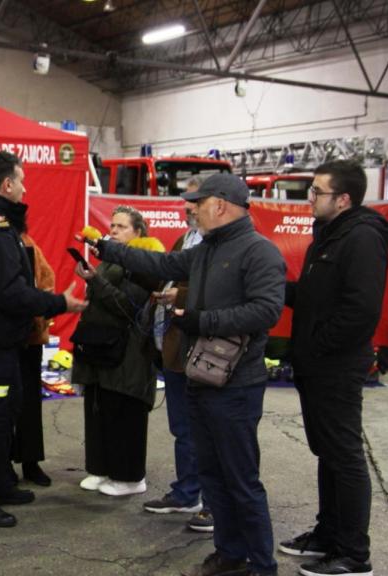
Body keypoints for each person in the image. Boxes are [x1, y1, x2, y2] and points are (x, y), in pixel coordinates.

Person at [81, 173, 285, 576]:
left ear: (221, 205)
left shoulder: (259, 252)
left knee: (241, 479)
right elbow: (158, 262)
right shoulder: (207, 249)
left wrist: (200, 320)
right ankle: (230, 554)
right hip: (201, 377)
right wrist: (106, 247)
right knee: (212, 472)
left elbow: (267, 311)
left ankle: (262, 565)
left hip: (236, 385)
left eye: (198, 202)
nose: (191, 209)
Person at [0, 150, 86, 528]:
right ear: (6, 185)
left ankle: (0, 481)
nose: (25, 188)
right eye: (21, 181)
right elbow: (10, 292)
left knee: (5, 411)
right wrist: (61, 303)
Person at [279, 161, 388, 576]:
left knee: (344, 457)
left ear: (343, 199)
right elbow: (315, 298)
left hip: (336, 367)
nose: (310, 198)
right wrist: (277, 286)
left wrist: (319, 347)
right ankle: (328, 535)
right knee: (326, 453)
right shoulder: (328, 236)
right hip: (317, 364)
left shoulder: (361, 238)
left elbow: (361, 311)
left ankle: (353, 555)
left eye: (316, 192)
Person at [72, 206, 162, 497]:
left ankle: (129, 477)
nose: (113, 230)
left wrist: (93, 281)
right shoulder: (108, 259)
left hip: (128, 352)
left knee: (124, 412)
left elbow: (127, 306)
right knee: (99, 408)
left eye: (121, 226)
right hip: (101, 348)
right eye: (112, 225)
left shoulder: (144, 262)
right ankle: (100, 468)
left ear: (138, 232)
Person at [142, 176, 212, 532]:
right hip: (174, 347)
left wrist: (178, 298)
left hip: (203, 351)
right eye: (185, 201)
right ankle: (187, 492)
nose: (186, 207)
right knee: (182, 428)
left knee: (208, 431)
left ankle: (213, 504)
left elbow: (217, 294)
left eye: (193, 201)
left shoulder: (222, 244)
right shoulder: (186, 238)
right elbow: (169, 275)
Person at [11, 232, 55, 487]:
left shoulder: (27, 243)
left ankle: (30, 461)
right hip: (2, 338)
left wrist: (40, 316)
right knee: (4, 405)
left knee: (29, 401)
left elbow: (46, 278)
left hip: (29, 336)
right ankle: (3, 463)